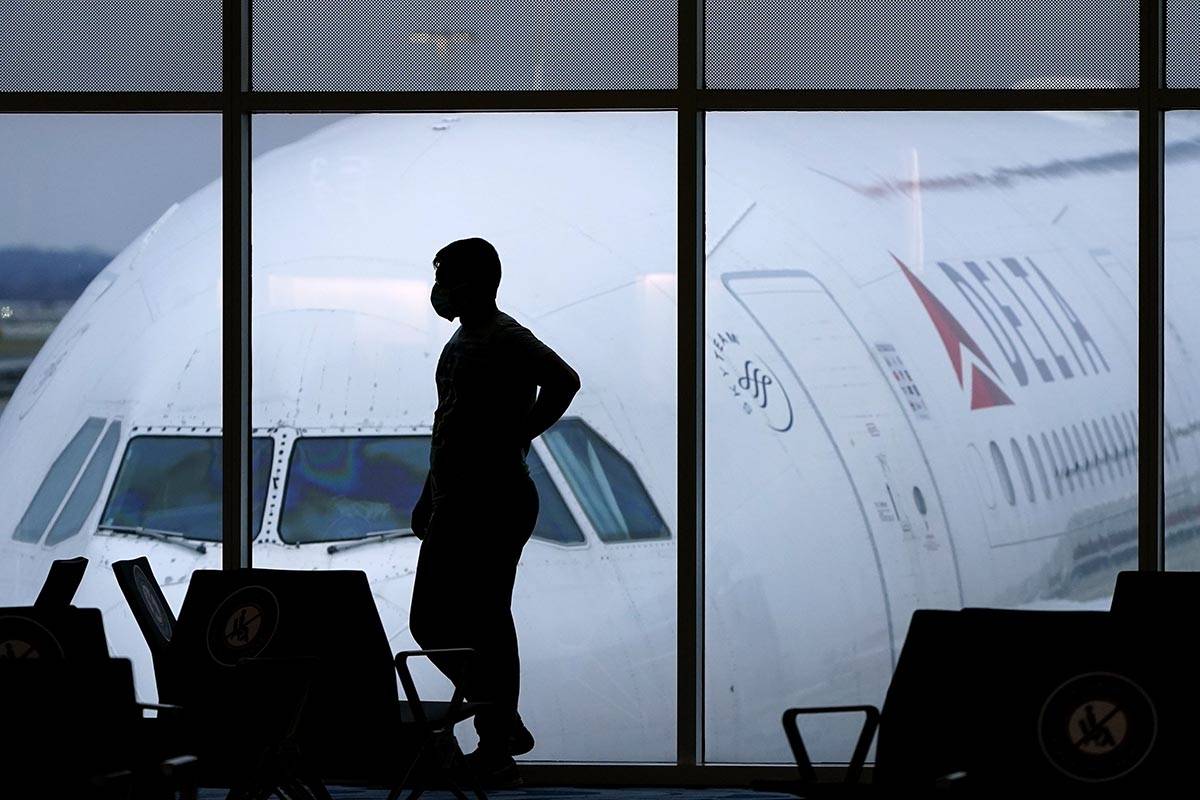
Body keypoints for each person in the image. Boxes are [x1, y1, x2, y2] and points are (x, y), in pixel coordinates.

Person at [408, 237, 580, 787]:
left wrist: (519, 434)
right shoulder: (464, 339)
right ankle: (499, 726)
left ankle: (497, 729)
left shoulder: (506, 338)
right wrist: (429, 493)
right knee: (466, 622)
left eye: (446, 276)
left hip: (492, 501)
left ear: (475, 282)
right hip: (459, 499)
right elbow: (450, 423)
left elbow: (564, 380)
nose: (438, 289)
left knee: (454, 621)